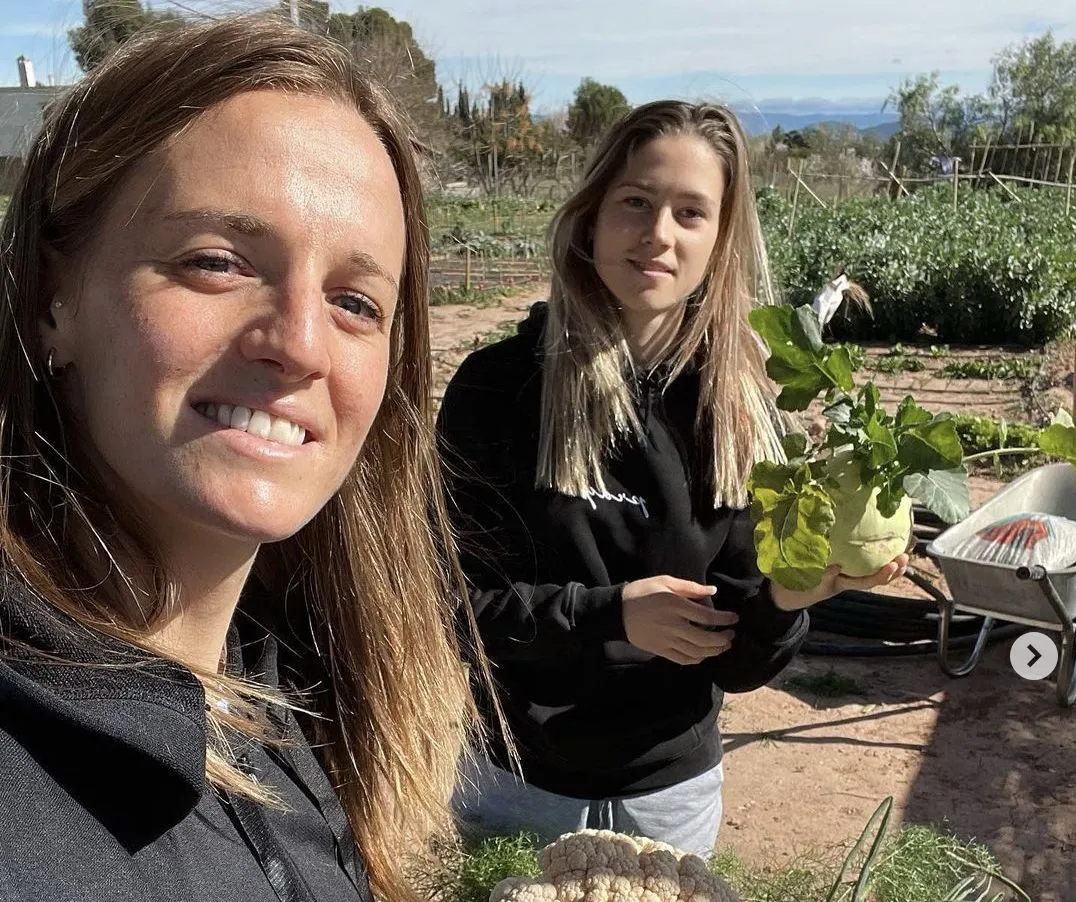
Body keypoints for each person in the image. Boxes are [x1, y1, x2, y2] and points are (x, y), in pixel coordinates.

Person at [0, 14, 486, 902]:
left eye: (356, 302)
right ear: (52, 298)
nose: (300, 344)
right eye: (217, 262)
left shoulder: (286, 692)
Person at [436, 100, 908, 857]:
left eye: (691, 212)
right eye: (636, 201)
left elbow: (740, 665)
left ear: (719, 240)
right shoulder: (497, 388)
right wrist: (611, 616)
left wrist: (785, 602)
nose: (659, 233)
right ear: (591, 218)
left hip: (671, 799)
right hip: (515, 784)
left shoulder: (740, 410)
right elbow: (448, 611)